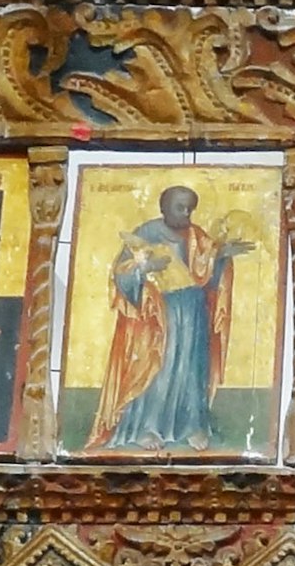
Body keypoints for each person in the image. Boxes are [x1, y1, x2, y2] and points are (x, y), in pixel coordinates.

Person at [86, 186, 253, 451]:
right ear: (164, 207)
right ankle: (145, 427)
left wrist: (221, 256)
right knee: (157, 366)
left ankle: (192, 425)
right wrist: (144, 268)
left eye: (190, 208)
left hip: (192, 310)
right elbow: (121, 273)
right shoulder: (147, 233)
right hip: (158, 313)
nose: (186, 213)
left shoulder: (197, 235)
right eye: (180, 207)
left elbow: (205, 272)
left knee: (191, 368)